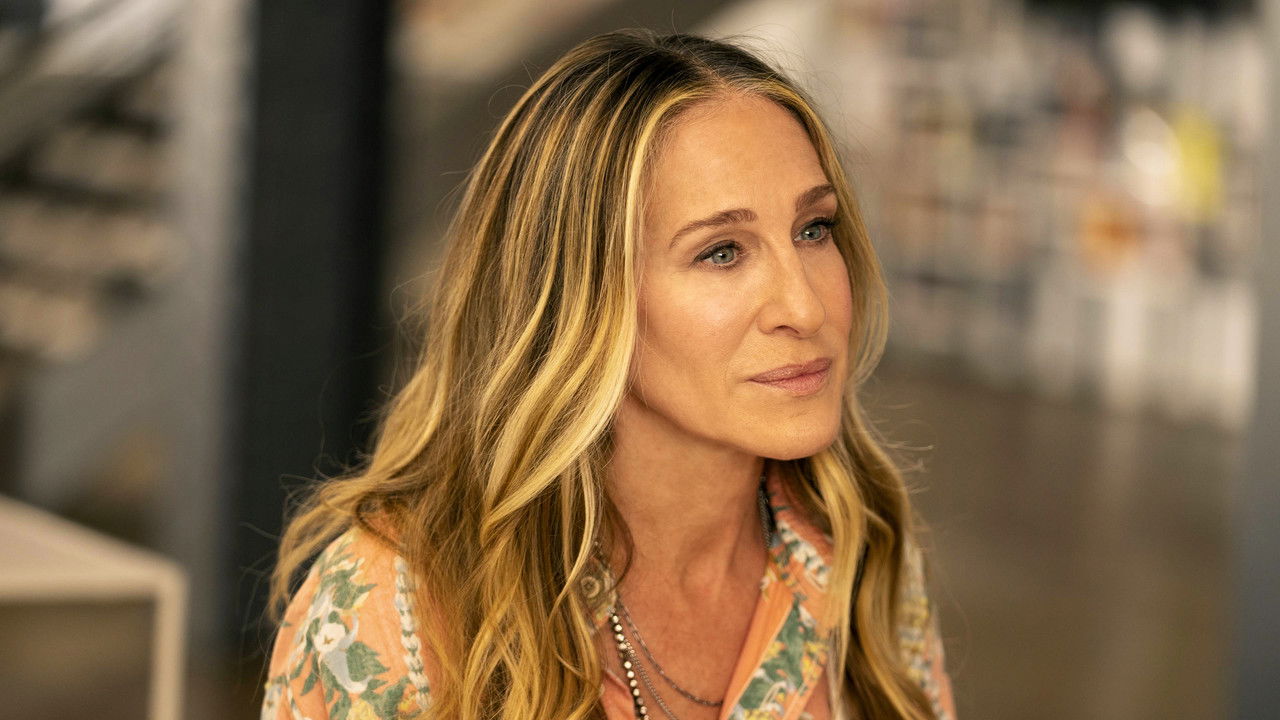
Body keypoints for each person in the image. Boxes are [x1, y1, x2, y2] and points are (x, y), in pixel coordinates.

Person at [261, 28, 956, 720]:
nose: (805, 308)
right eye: (721, 252)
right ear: (578, 299)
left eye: (814, 229)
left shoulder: (862, 555)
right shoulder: (392, 608)